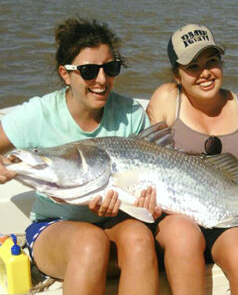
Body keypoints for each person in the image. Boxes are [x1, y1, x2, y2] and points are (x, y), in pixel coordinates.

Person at [0, 18, 160, 295]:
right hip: (54, 230)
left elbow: (151, 185)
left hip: (114, 223)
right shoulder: (40, 114)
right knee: (90, 241)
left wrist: (149, 202)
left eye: (110, 68)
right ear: (65, 74)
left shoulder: (131, 114)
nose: (101, 80)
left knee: (140, 238)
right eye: (88, 71)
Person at [147, 24, 238, 295]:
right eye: (192, 66)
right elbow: (148, 155)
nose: (205, 73)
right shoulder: (167, 100)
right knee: (184, 238)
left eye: (211, 62)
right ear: (176, 75)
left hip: (226, 210)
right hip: (176, 214)